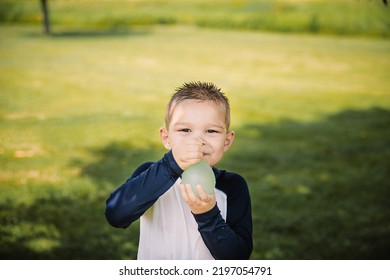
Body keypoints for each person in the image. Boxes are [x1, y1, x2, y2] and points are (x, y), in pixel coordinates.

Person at [105, 81, 252, 260]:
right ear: (166, 138)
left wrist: (208, 214)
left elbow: (238, 258)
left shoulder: (232, 186)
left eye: (211, 131)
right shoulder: (151, 175)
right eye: (185, 130)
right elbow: (116, 215)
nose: (198, 140)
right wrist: (170, 165)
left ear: (226, 141)